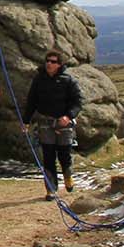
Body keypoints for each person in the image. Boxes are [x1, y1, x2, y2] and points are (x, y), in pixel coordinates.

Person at [23, 50, 83, 199]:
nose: (49, 63)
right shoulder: (38, 80)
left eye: (53, 61)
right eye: (47, 61)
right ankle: (51, 189)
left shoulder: (68, 81)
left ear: (60, 64)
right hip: (45, 123)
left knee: (64, 155)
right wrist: (26, 121)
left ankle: (68, 177)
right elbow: (32, 102)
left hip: (64, 124)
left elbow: (78, 102)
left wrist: (69, 116)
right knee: (48, 157)